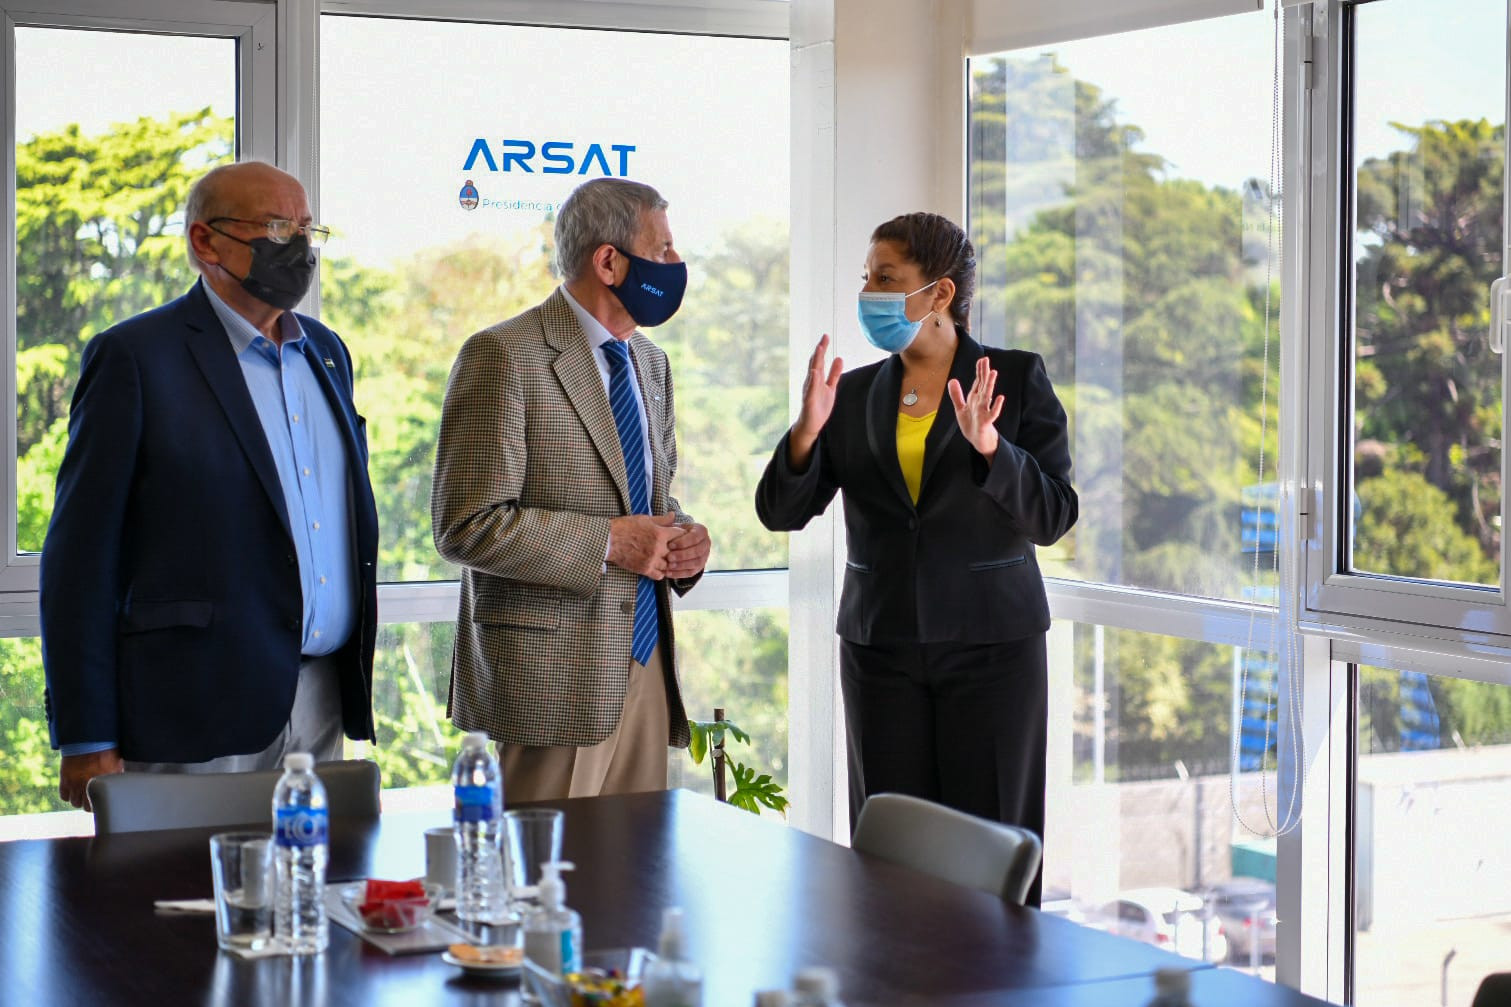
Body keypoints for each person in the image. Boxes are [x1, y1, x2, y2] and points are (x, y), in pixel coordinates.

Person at [755, 212, 1077, 905]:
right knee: (889, 860)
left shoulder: (1016, 378)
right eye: (866, 277)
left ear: (940, 293)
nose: (867, 292)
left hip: (993, 650)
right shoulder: (850, 394)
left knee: (994, 855)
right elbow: (780, 512)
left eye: (885, 278)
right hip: (881, 651)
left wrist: (992, 448)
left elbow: (1054, 514)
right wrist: (806, 432)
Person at [40, 161, 379, 810]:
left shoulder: (327, 352)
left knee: (306, 873)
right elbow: (80, 559)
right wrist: (87, 735)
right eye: (276, 228)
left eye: (307, 229)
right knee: (179, 877)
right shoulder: (135, 356)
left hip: (320, 700)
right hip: (192, 704)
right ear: (206, 241)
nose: (298, 247)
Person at [432, 177, 711, 801]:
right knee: (544, 863)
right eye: (662, 249)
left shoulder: (651, 363)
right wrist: (609, 542)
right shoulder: (502, 355)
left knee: (636, 857)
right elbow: (465, 525)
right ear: (609, 262)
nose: (676, 263)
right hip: (550, 682)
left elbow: (646, 501)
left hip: (646, 665)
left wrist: (683, 539)